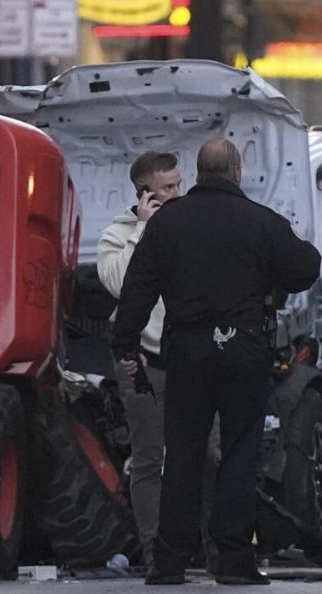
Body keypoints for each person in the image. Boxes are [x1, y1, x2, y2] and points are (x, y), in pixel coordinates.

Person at [112, 138, 321, 586]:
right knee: (240, 453)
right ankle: (233, 560)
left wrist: (125, 348)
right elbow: (306, 268)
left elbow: (137, 289)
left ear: (198, 172)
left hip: (186, 350)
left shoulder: (167, 224)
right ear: (237, 172)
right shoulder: (262, 221)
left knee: (182, 454)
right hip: (243, 348)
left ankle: (169, 561)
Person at [96, 151, 220, 570]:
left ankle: (207, 547)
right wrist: (145, 231)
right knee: (150, 458)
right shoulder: (118, 234)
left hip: (191, 360)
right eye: (168, 188)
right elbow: (119, 285)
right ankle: (155, 553)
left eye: (179, 184)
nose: (178, 193)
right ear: (145, 194)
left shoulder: (191, 227)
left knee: (210, 453)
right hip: (143, 363)